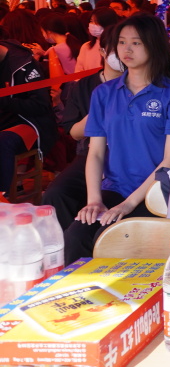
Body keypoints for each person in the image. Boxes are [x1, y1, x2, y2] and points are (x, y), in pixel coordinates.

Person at [62, 15, 170, 261]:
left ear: (153, 45)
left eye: (136, 43)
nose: (126, 49)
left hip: (156, 193)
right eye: (122, 42)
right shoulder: (103, 93)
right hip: (115, 188)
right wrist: (94, 200)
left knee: (111, 239)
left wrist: (129, 204)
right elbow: (95, 152)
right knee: (76, 236)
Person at [47, 25, 123, 229]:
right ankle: (65, 241)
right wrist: (99, 113)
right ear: (103, 51)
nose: (124, 53)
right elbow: (73, 132)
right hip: (91, 153)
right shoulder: (84, 86)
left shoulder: (142, 85)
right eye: (118, 46)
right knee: (57, 193)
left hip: (126, 156)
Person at [0, 32, 56, 198]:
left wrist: (5, 101)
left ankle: (4, 196)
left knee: (3, 142)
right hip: (5, 118)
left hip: (29, 121)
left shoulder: (24, 63)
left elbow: (41, 105)